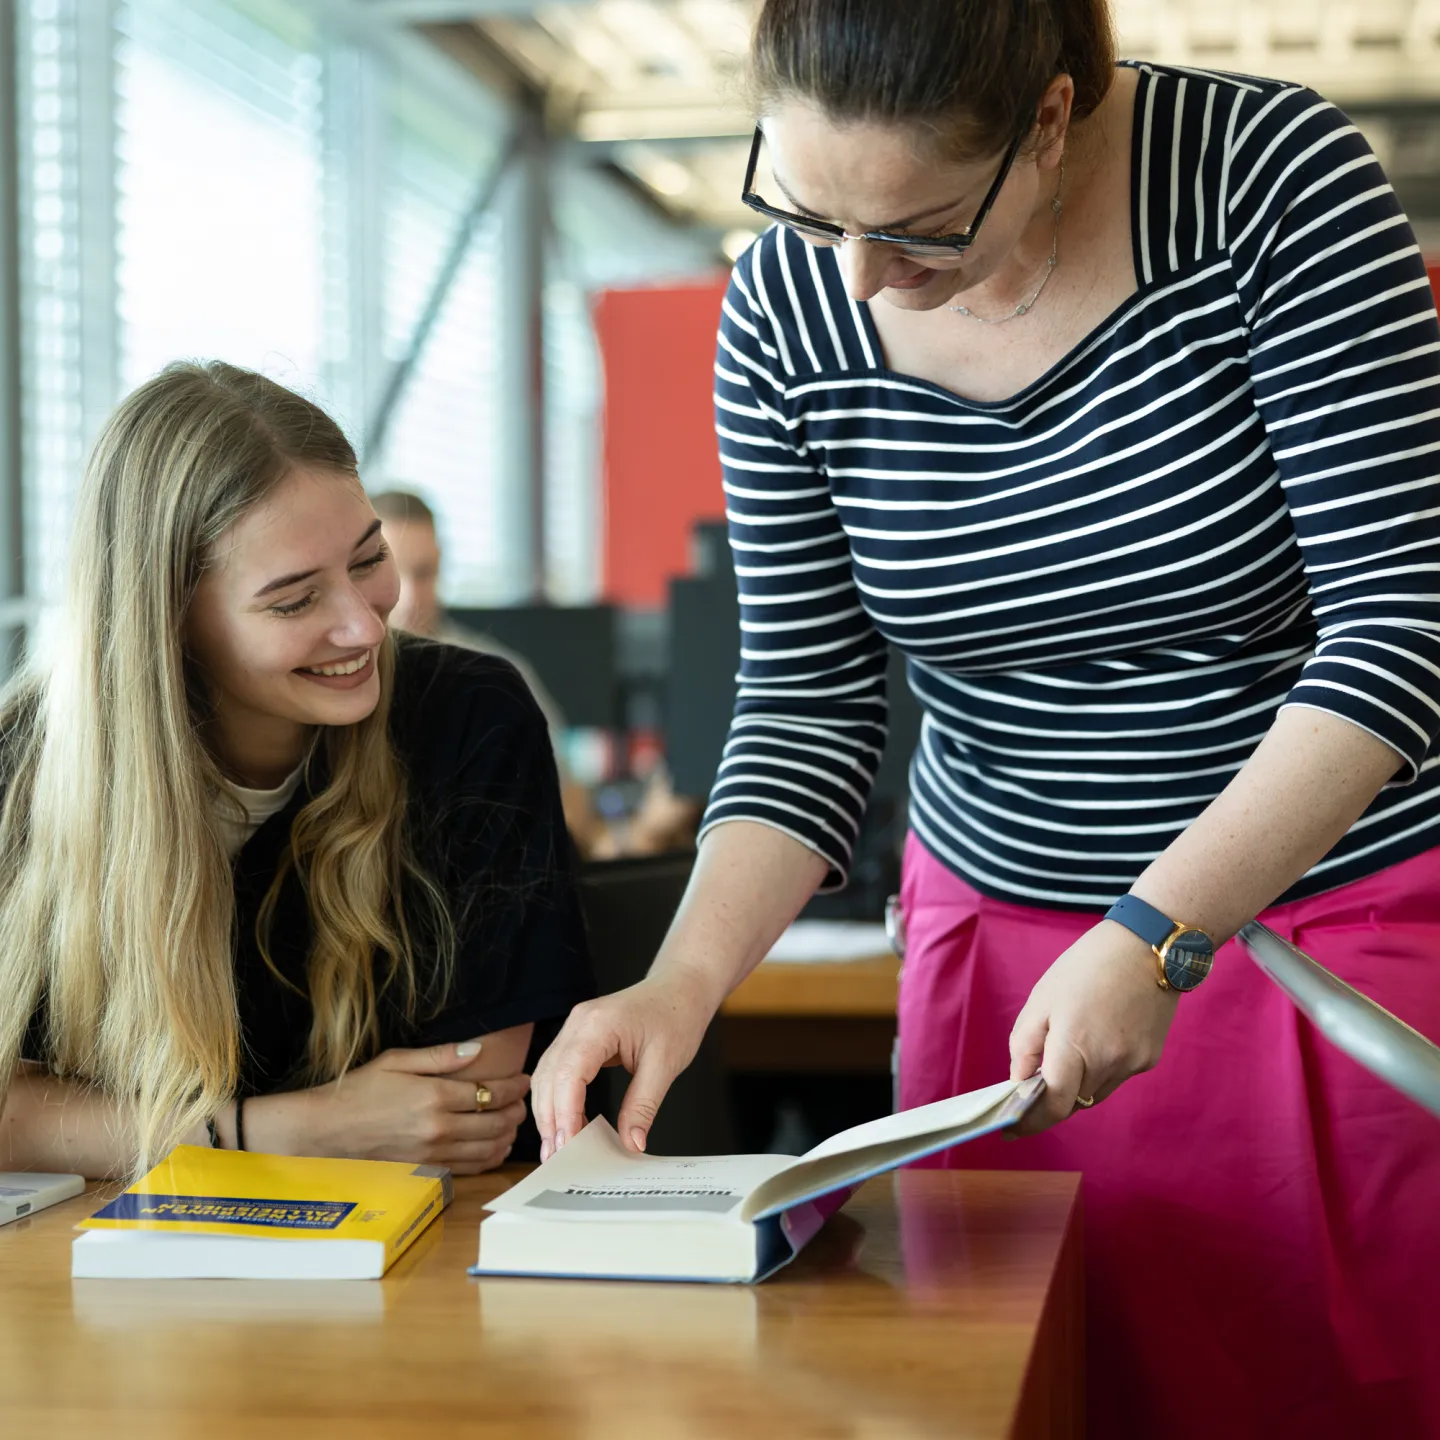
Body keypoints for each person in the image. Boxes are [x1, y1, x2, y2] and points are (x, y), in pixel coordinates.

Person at [533, 3, 1440, 1435]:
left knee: (1317, 1378)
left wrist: (1157, 930)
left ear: (1055, 117)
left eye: (925, 229)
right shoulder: (788, 304)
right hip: (1002, 942)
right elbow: (805, 702)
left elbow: (1404, 627)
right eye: (804, 202)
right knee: (1005, 1385)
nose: (862, 278)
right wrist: (679, 983)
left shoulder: (1269, 180)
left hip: (1302, 919)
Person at [0, 363, 593, 1180]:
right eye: (294, 601)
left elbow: (467, 1116)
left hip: (431, 1258)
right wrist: (291, 1130)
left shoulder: (469, 717)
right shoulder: (22, 764)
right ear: (169, 622)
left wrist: (117, 1128)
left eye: (368, 558)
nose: (362, 625)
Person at [369, 488, 611, 857]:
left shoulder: (493, 675)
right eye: (394, 575)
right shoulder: (340, 675)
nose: (411, 596)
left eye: (424, 573)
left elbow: (570, 804)